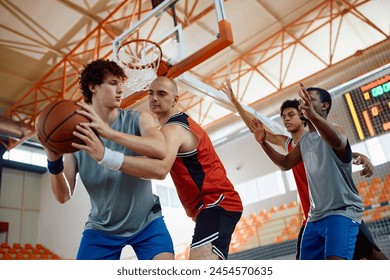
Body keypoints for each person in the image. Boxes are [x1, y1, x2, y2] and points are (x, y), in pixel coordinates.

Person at [222, 79, 388, 260]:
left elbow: (337, 145)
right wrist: (237, 105)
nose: (286, 118)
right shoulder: (295, 144)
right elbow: (261, 133)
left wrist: (360, 156)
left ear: (303, 115)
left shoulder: (327, 132)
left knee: (372, 255)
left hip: (339, 209)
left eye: (291, 114)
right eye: (283, 116)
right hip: (313, 215)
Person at [94, 76, 243, 260]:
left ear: (175, 99)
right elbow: (146, 162)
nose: (154, 98)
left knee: (200, 261)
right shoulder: (171, 129)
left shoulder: (174, 129)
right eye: (150, 93)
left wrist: (108, 155)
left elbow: (160, 169)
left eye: (161, 93)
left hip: (218, 202)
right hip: (208, 207)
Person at [40, 59, 175, 260]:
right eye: (113, 83)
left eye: (121, 83)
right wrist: (53, 163)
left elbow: (160, 148)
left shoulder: (138, 119)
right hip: (101, 229)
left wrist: (110, 134)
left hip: (147, 222)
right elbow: (63, 196)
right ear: (92, 86)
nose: (120, 89)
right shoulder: (76, 135)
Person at [249, 83, 365, 260]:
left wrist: (312, 116)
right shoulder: (305, 141)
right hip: (315, 218)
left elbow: (336, 142)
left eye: (309, 100)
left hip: (341, 212)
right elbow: (285, 163)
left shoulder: (336, 130)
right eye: (303, 100)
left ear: (324, 106)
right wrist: (263, 142)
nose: (304, 103)